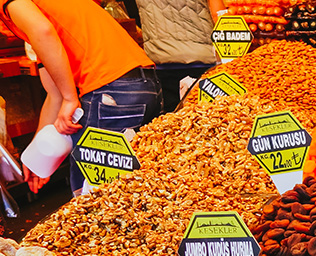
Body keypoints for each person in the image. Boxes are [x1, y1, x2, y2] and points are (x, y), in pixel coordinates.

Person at [1, 0, 163, 193]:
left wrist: (70, 98)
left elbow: (43, 30)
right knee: (145, 184)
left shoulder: (11, 3)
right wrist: (38, 155)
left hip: (111, 91)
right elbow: (55, 95)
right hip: (145, 84)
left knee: (92, 196)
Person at [135, 0, 228, 111]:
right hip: (202, 60)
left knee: (171, 120)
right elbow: (220, 18)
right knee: (208, 116)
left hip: (162, 59)